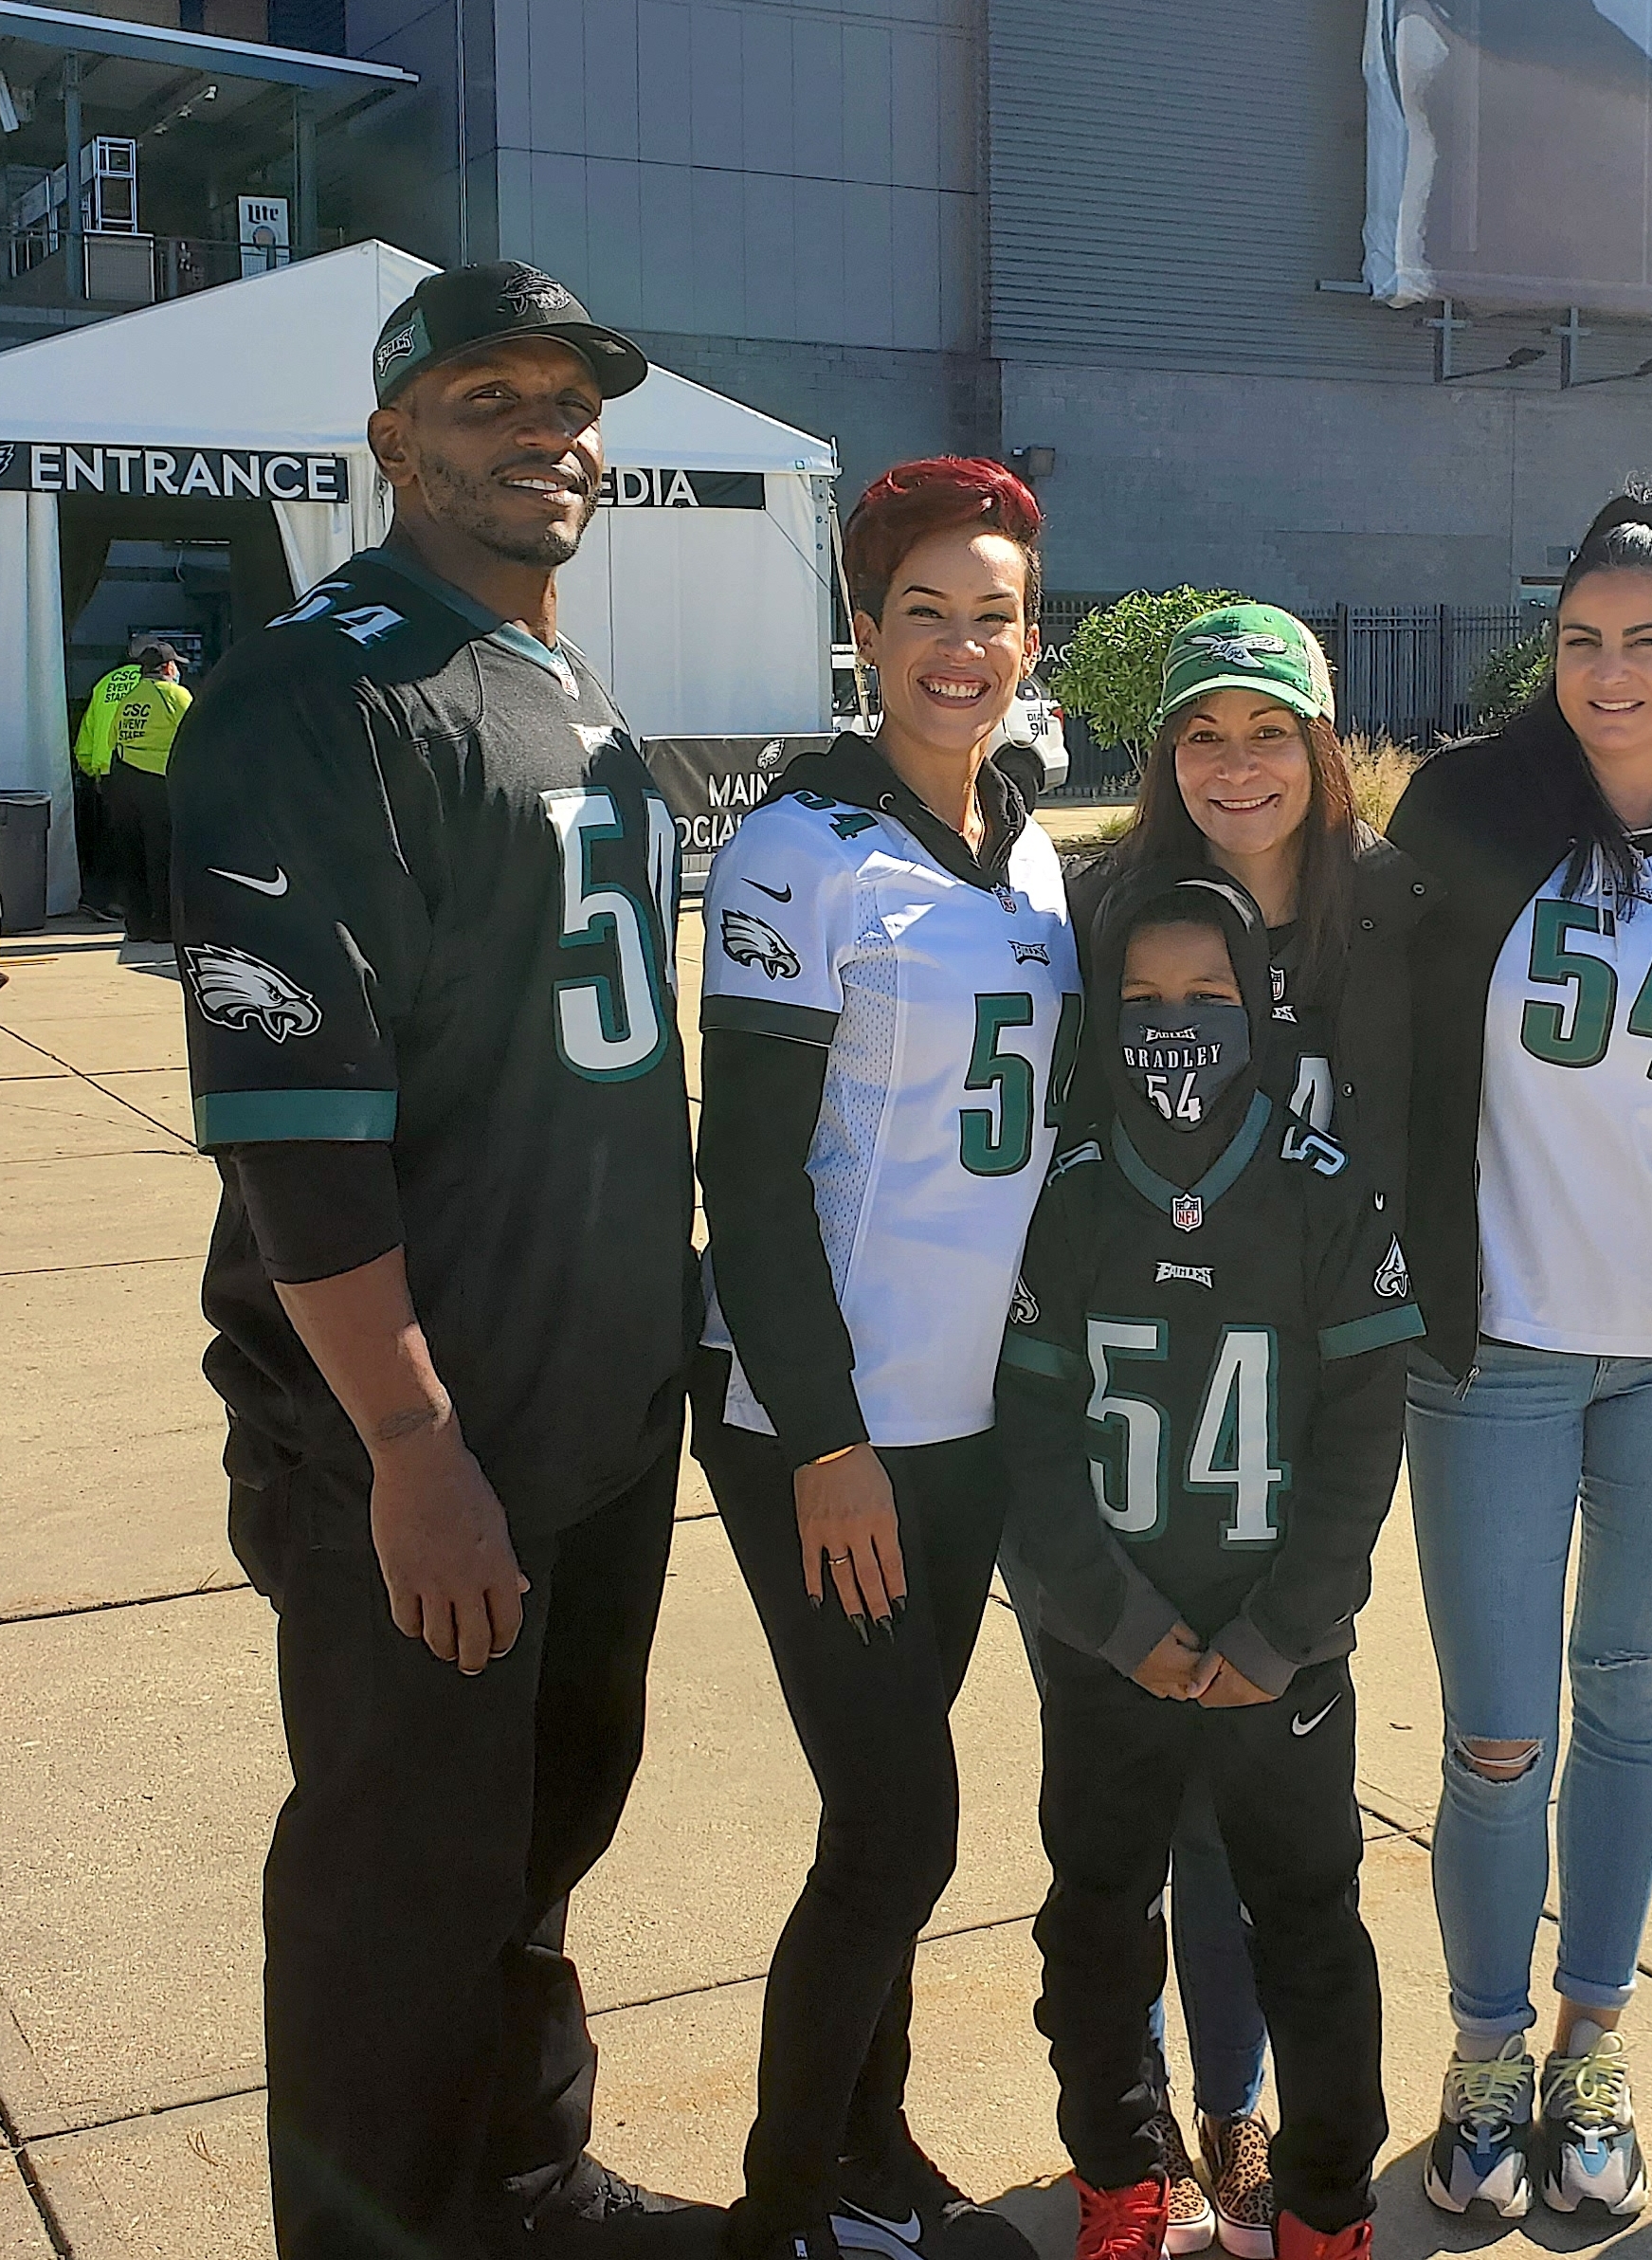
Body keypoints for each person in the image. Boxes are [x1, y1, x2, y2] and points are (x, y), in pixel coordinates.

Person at [165, 261, 701, 2260]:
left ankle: (525, 2183)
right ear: (392, 438)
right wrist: (404, 1440)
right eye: (488, 395)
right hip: (425, 1439)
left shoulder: (557, 678)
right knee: (396, 1893)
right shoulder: (317, 688)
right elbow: (291, 1122)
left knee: (534, 1852)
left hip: (589, 1415)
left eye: (568, 399)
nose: (543, 430)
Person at [1381, 488, 1652, 2220]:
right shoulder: (1470, 807)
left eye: (1645, 641)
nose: (1609, 674)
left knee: (1629, 1712)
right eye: (1580, 642)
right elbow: (1375, 1035)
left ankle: (1592, 2039)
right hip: (1491, 1354)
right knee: (1496, 1737)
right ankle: (1487, 2047)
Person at [691, 457, 1080, 2260]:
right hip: (822, 1422)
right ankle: (783, 2210)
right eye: (921, 610)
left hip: (967, 1416)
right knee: (898, 1826)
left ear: (1027, 634)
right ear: (861, 629)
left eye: (989, 613)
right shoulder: (797, 848)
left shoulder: (1025, 837)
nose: (959, 647)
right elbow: (747, 1171)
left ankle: (871, 2155)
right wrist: (823, 1440)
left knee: (891, 1816)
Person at [1051, 603, 1434, 2249]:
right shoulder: (1096, 917)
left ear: (1323, 747)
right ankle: (1148, 2147)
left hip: (1293, 1420)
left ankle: (1254, 2125)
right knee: (1119, 1857)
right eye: (1201, 732)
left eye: (1266, 728)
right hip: (1131, 1445)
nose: (1235, 761)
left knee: (1272, 1863)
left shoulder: (1397, 918)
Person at [78, 638, 191, 941]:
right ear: (168, 667)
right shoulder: (174, 696)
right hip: (158, 782)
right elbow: (194, 734)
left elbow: (112, 738)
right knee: (161, 856)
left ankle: (137, 926)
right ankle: (164, 927)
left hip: (122, 781)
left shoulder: (129, 697)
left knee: (131, 856)